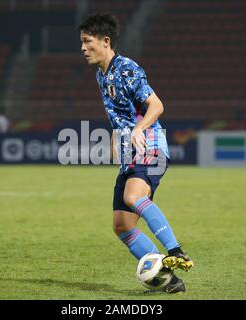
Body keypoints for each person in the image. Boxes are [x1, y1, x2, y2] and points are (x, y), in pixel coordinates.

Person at [78, 13, 194, 294]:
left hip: (150, 145)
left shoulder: (127, 69)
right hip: (130, 152)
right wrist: (116, 137)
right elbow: (120, 113)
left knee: (133, 197)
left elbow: (156, 106)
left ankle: (176, 250)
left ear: (105, 42)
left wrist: (139, 129)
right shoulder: (101, 75)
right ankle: (169, 279)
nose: (82, 48)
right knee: (122, 225)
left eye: (86, 41)